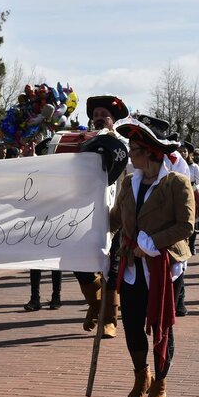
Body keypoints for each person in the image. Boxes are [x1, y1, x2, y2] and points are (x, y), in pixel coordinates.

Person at [110, 116, 195, 397]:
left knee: (161, 328)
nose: (129, 154)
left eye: (133, 149)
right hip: (133, 267)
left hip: (163, 267)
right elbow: (116, 218)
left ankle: (160, 385)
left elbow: (186, 225)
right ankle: (140, 376)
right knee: (132, 326)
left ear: (149, 151)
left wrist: (151, 243)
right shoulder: (129, 182)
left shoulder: (177, 183)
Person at [75, 95, 129, 338]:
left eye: (103, 116)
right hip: (85, 213)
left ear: (113, 120)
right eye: (95, 115)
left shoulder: (125, 144)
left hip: (115, 213)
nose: (98, 119)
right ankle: (97, 305)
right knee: (80, 264)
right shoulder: (81, 142)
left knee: (112, 267)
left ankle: (110, 319)